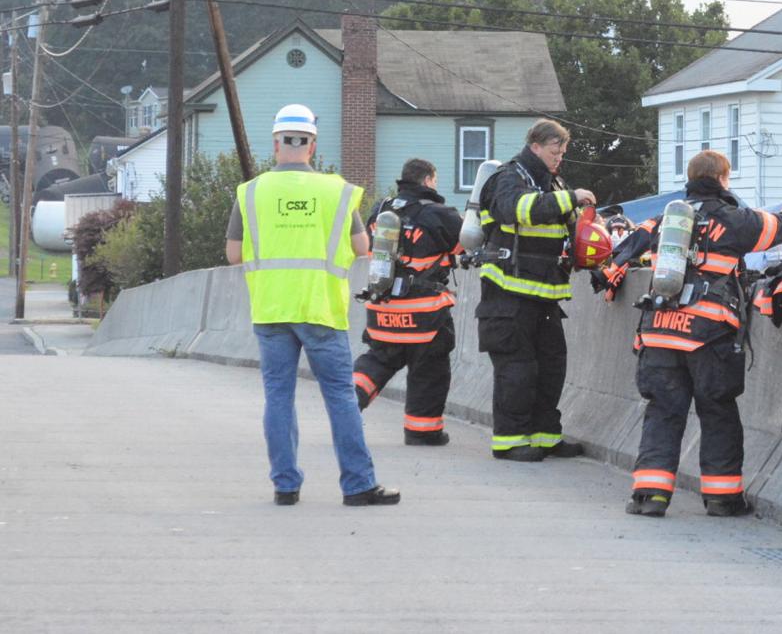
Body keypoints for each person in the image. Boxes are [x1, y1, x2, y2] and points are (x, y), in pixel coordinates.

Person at [224, 104, 399, 507]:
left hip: (271, 309)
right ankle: (358, 485)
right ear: (312, 145)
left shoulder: (251, 192)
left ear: (276, 143)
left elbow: (234, 254)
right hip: (321, 309)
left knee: (278, 397)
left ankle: (285, 486)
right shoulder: (336, 191)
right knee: (340, 396)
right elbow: (362, 247)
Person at [625, 150, 782, 518]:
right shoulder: (732, 219)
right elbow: (779, 227)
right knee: (717, 412)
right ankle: (722, 498)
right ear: (723, 179)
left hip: (660, 331)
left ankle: (649, 495)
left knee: (663, 411)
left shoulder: (667, 221)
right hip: (707, 335)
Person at [475, 119, 595, 462]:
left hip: (545, 295)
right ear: (536, 146)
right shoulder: (509, 177)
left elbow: (570, 230)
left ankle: (545, 436)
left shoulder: (553, 182)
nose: (559, 158)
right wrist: (570, 197)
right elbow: (520, 209)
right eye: (555, 151)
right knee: (517, 370)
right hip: (508, 293)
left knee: (551, 367)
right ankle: (509, 441)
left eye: (563, 152)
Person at [352, 158, 463, 445]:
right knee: (429, 371)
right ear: (427, 180)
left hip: (383, 308)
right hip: (424, 313)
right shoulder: (440, 214)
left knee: (378, 361)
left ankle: (347, 403)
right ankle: (422, 431)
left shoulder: (381, 210)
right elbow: (466, 245)